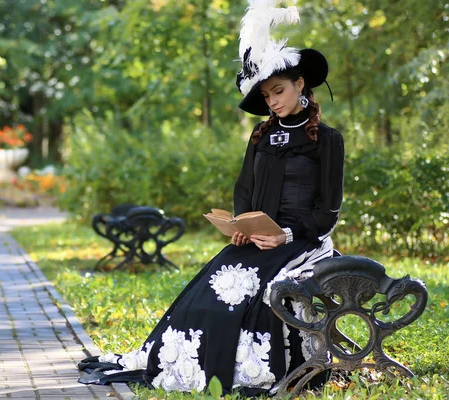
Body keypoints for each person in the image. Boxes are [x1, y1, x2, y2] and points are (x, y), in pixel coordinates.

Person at [78, 0, 344, 397]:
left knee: (253, 299)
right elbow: (243, 190)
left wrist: (285, 236)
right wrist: (242, 226)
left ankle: (247, 370)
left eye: (278, 90)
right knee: (208, 293)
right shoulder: (259, 136)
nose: (272, 101)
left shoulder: (327, 139)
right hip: (257, 238)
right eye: (266, 95)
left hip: (301, 242)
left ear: (300, 83)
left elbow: (329, 210)